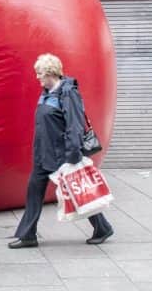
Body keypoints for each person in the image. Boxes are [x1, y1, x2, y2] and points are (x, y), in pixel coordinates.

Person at [9, 53, 114, 249]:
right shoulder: (47, 92)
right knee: (34, 191)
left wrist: (73, 157)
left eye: (40, 73)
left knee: (79, 193)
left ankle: (102, 227)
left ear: (51, 73)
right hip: (44, 154)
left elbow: (74, 125)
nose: (37, 77)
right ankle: (28, 235)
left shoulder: (68, 93)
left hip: (61, 155)